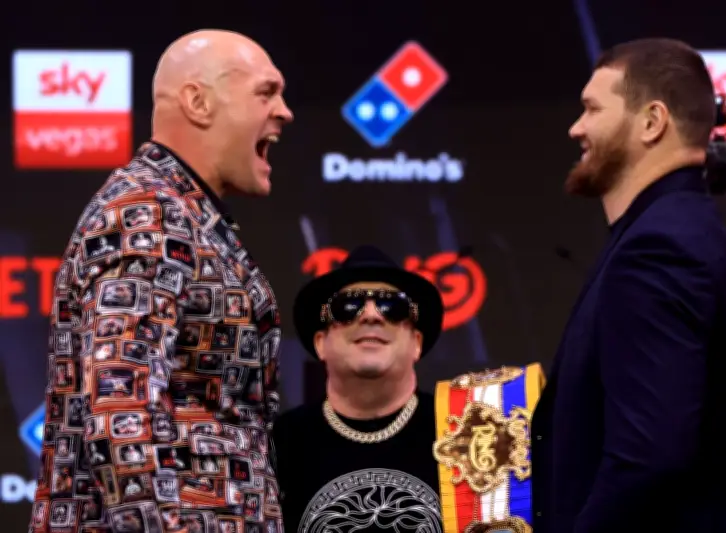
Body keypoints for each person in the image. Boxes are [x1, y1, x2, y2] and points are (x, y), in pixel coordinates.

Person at [27, 29, 293, 533]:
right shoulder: (146, 213)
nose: (285, 111)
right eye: (266, 92)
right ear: (198, 102)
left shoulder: (181, 212)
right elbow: (120, 410)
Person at [530, 38, 726, 533]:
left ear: (652, 122)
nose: (576, 127)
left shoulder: (660, 247)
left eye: (592, 109)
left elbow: (647, 458)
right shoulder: (671, 230)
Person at [272, 245, 445, 532]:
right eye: (348, 306)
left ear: (416, 342)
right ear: (320, 343)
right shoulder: (277, 444)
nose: (371, 315)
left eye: (393, 306)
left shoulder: (464, 432)